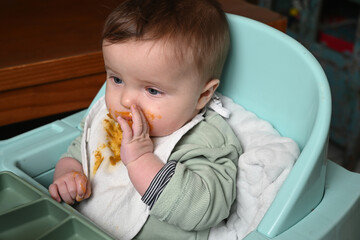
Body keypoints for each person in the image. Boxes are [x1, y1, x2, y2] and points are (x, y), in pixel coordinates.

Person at [49, 0, 242, 239]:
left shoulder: (205, 139)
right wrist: (68, 176)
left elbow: (204, 210)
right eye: (117, 79)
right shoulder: (111, 120)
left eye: (152, 90)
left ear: (203, 95)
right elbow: (79, 152)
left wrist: (141, 160)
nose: (126, 100)